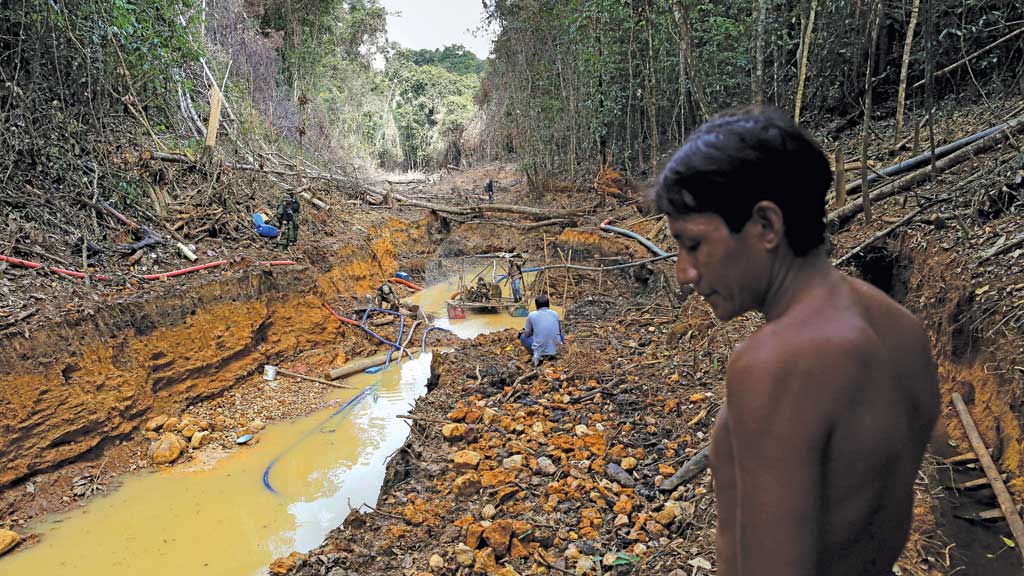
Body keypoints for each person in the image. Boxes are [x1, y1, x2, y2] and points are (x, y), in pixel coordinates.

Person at [654, 107, 939, 576]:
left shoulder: (777, 361)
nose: (684, 274)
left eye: (693, 245)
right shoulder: (902, 330)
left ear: (766, 225)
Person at [519, 294, 564, 366]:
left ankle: (536, 354)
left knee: (523, 337)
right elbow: (559, 331)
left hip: (540, 351)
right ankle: (555, 350)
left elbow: (527, 334)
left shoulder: (531, 315)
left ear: (536, 306)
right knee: (561, 335)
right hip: (555, 350)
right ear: (548, 305)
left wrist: (532, 332)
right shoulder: (555, 313)